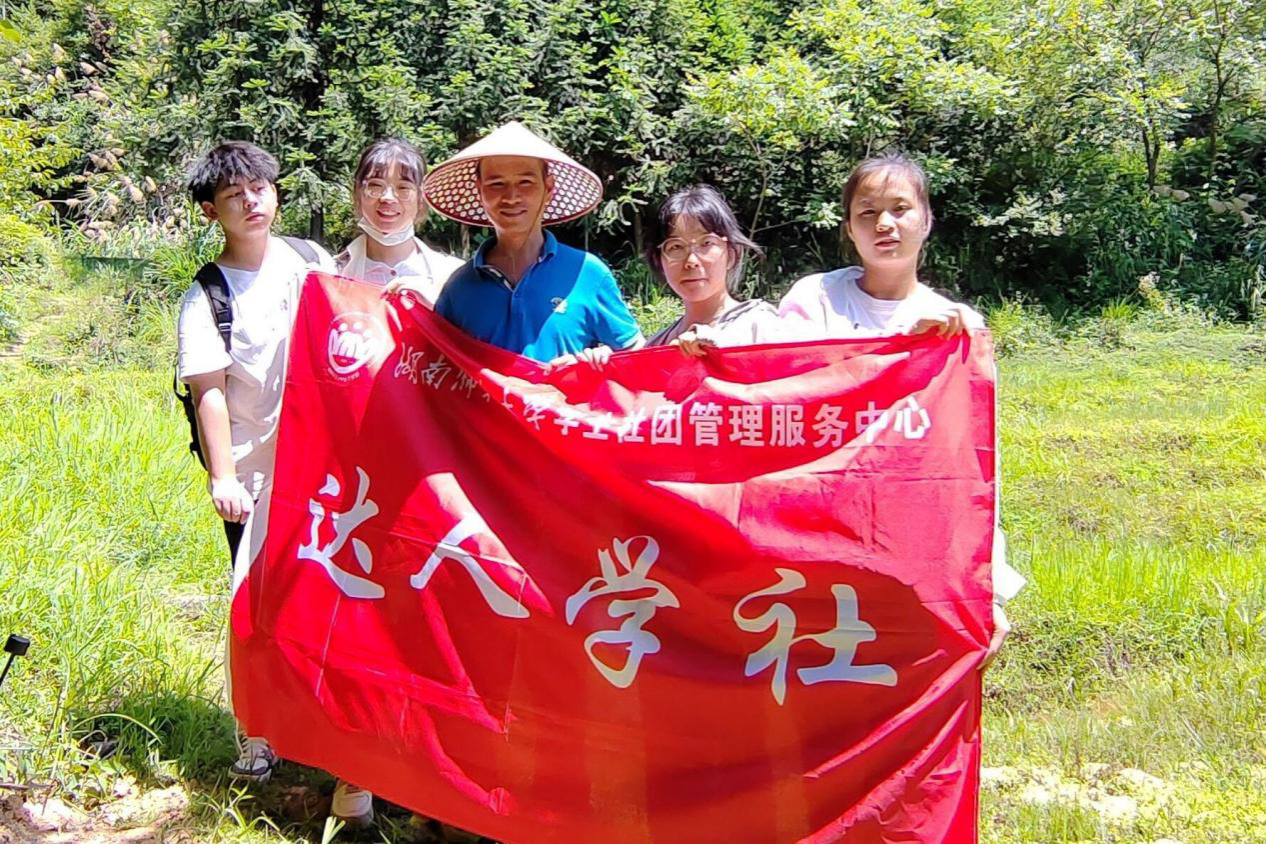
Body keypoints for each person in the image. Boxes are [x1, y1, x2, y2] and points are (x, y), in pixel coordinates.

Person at [778, 152, 1024, 665]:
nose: (884, 224)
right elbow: (781, 396)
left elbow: (974, 468)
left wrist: (991, 589)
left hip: (911, 542)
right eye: (867, 213)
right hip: (817, 532)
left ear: (926, 219)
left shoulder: (956, 327)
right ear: (848, 228)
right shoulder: (815, 299)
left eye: (900, 208)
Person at [175, 141, 334, 781]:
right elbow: (208, 392)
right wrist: (224, 477)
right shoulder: (208, 295)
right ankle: (256, 734)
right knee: (256, 606)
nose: (250, 201)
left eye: (260, 188)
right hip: (256, 477)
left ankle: (322, 729)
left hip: (324, 470)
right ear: (211, 211)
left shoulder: (312, 262)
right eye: (233, 195)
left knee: (322, 601)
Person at [425, 121, 643, 366]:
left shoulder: (587, 272)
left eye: (525, 182)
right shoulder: (460, 287)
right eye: (496, 184)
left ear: (548, 188)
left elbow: (637, 359)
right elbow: (437, 371)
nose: (511, 197)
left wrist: (603, 362)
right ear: (479, 191)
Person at [642, 184, 785, 356]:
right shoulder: (655, 347)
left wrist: (722, 350)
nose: (691, 261)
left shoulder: (761, 326)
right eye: (676, 247)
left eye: (706, 243)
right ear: (659, 261)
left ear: (731, 254)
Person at [334, 137, 464, 305]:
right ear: (357, 193)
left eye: (403, 188)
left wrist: (439, 308)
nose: (387, 197)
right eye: (375, 185)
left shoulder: (454, 277)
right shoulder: (331, 273)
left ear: (421, 197)